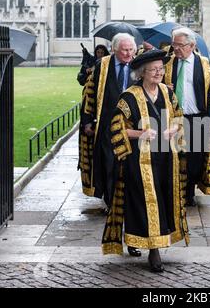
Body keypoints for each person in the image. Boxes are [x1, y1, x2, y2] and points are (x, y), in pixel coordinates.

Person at [101, 49, 189, 272]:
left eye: (161, 69)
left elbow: (179, 117)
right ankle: (154, 252)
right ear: (142, 73)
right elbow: (116, 129)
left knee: (163, 199)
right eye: (154, 70)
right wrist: (139, 133)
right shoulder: (129, 97)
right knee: (149, 202)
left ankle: (142, 240)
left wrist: (174, 128)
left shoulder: (168, 93)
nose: (159, 73)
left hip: (166, 160)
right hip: (139, 162)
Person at [79, 33, 140, 257]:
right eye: (124, 50)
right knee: (110, 172)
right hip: (105, 130)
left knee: (131, 180)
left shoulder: (139, 65)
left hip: (132, 131)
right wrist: (87, 121)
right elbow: (89, 94)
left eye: (131, 49)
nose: (129, 54)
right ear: (114, 50)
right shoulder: (101, 66)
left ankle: (132, 234)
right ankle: (113, 206)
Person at [163, 27, 210, 207]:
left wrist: (209, 118)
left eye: (180, 45)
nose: (176, 49)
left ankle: (190, 190)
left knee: (195, 159)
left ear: (192, 45)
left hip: (198, 119)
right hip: (174, 119)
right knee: (175, 157)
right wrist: (165, 89)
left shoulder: (205, 64)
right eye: (174, 45)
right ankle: (178, 193)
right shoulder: (167, 64)